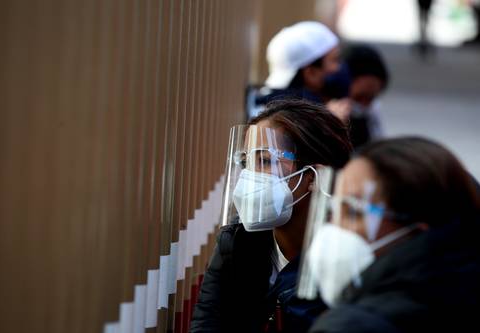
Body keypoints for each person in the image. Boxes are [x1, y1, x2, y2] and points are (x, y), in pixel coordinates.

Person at [190, 99, 353, 333]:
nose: (250, 175)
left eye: (265, 161)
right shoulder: (238, 240)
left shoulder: (346, 256)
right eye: (247, 162)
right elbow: (206, 324)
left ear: (315, 177)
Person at [297, 137, 480, 333]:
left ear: (416, 231)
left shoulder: (353, 326)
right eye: (333, 211)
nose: (333, 227)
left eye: (352, 211)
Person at [249, 21, 348, 120]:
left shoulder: (269, 100)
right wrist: (330, 122)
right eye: (334, 60)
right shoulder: (303, 116)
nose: (338, 68)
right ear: (310, 72)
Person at [323, 44, 390, 148]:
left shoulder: (371, 115)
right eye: (359, 97)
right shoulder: (324, 117)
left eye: (371, 98)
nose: (365, 105)